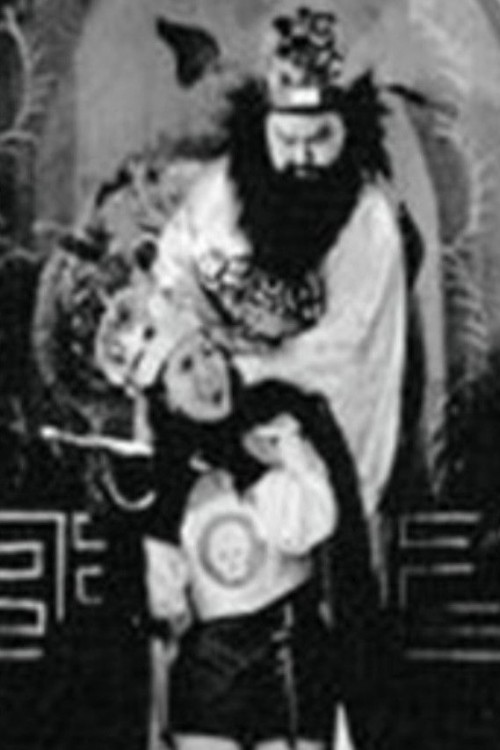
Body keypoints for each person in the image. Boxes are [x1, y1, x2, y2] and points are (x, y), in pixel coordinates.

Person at [151, 4, 420, 551]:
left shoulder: (368, 220)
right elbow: (173, 268)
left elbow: (346, 345)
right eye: (286, 138)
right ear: (262, 128)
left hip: (310, 423)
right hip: (216, 403)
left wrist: (239, 378)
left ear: (348, 130)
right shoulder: (221, 190)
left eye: (320, 137)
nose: (303, 156)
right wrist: (192, 342)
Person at [95, 291, 381, 750]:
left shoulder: (275, 422)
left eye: (208, 351)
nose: (208, 372)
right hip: (210, 670)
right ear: (165, 397)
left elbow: (308, 526)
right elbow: (161, 606)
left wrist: (264, 462)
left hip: (291, 656)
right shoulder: (160, 482)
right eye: (185, 366)